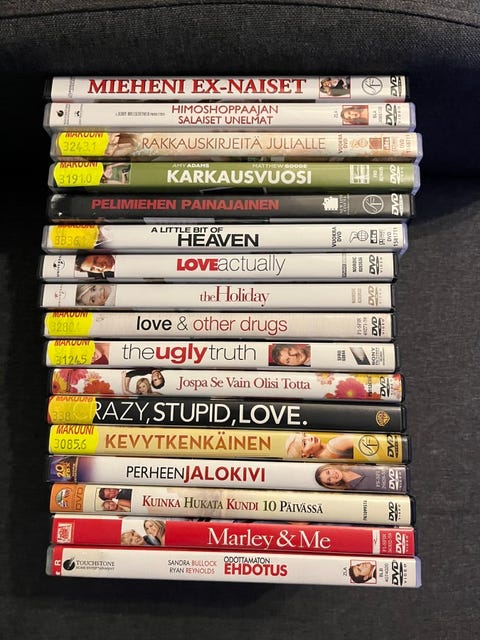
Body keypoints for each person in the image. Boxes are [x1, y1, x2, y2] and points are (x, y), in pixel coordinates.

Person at [285, 432, 354, 459]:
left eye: (305, 435)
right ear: (305, 455)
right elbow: (359, 440)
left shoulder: (323, 465)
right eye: (304, 443)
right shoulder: (333, 445)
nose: (310, 438)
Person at [315, 464, 380, 490]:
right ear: (333, 484)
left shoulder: (353, 463)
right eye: (329, 479)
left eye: (328, 472)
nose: (332, 475)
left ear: (330, 467)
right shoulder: (351, 490)